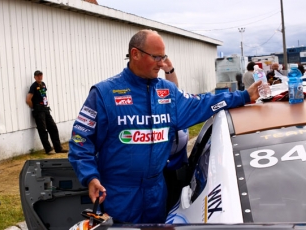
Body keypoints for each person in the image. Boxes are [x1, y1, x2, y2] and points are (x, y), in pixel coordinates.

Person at [68, 29, 261, 224]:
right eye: (156, 57)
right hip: (118, 194)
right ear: (135, 54)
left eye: (164, 56)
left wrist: (243, 96)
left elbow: (202, 103)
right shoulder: (104, 93)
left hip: (156, 192)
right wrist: (90, 177)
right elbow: (80, 141)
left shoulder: (167, 92)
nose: (162, 64)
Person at [26, 70, 68, 155]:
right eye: (37, 76)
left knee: (53, 127)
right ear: (35, 77)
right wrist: (34, 107)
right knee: (43, 130)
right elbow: (28, 99)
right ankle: (48, 149)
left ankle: (58, 148)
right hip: (39, 110)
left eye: (40, 75)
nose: (39, 77)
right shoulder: (33, 86)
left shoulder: (43, 84)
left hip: (45, 109)